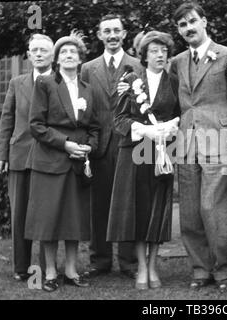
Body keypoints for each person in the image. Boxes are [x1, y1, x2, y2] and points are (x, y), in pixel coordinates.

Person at [170, 2, 227, 293]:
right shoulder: (178, 61)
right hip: (186, 143)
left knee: (212, 208)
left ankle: (224, 269)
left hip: (219, 142)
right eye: (182, 25)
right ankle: (201, 269)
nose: (188, 28)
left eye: (192, 22)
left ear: (204, 22)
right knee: (189, 212)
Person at [25, 31, 100, 292]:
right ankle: (49, 273)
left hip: (77, 165)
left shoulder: (88, 89)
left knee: (73, 220)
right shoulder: (44, 84)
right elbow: (36, 125)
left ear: (80, 59)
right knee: (49, 221)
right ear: (57, 59)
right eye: (64, 52)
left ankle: (70, 270)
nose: (69, 55)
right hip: (50, 163)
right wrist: (65, 144)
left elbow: (95, 127)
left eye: (74, 52)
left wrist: (89, 146)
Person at [107, 31, 179, 290]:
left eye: (163, 50)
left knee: (158, 209)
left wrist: (171, 127)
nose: (160, 55)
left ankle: (153, 266)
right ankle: (140, 267)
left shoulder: (173, 81)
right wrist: (145, 130)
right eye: (154, 51)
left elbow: (180, 113)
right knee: (139, 209)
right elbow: (119, 120)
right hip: (135, 150)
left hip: (162, 152)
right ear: (144, 55)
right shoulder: (131, 80)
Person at [80, 14, 142, 279]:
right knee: (99, 204)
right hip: (100, 146)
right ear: (99, 35)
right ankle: (100, 260)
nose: (112, 35)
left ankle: (128, 261)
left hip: (130, 144)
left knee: (129, 203)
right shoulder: (88, 68)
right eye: (107, 31)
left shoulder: (138, 65)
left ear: (124, 34)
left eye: (117, 30)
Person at [0, 34, 54, 281]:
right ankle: (21, 268)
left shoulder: (60, 82)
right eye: (34, 50)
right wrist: (1, 155)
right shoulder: (16, 83)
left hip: (50, 157)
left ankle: (45, 268)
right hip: (19, 156)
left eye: (43, 50)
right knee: (19, 215)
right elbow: (6, 119)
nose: (38, 54)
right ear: (28, 55)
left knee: (46, 214)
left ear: (52, 55)